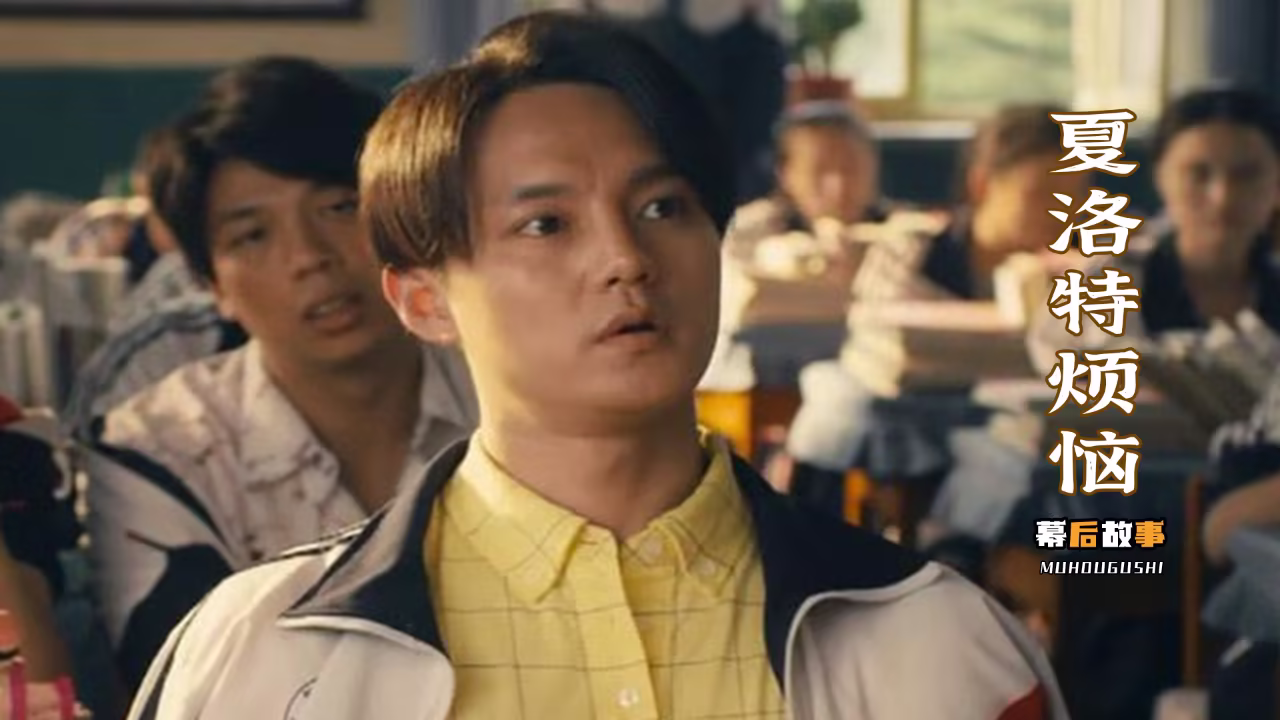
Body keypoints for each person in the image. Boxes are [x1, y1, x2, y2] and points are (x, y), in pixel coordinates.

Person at [125, 13, 1065, 719]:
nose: (625, 258)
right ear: (423, 300)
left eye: (662, 208)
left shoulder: (938, 648)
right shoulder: (263, 658)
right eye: (546, 224)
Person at [81, 56, 478, 696]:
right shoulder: (161, 453)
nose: (309, 257)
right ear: (212, 284)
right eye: (252, 236)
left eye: (340, 206)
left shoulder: (510, 387)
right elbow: (198, 692)